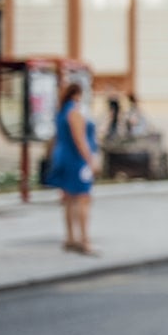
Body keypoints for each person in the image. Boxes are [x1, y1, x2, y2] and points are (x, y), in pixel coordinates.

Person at [46, 81, 99, 256]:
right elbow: (80, 139)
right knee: (83, 199)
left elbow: (55, 138)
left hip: (63, 157)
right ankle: (85, 241)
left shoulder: (61, 111)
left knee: (68, 200)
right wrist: (90, 160)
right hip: (76, 160)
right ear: (77, 95)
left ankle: (70, 238)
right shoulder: (74, 112)